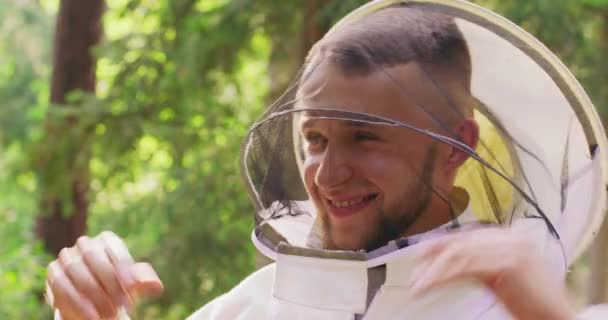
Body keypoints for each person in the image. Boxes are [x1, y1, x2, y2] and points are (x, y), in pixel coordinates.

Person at [45, 2, 608, 319]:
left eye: (366, 138)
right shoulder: (254, 305)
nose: (327, 173)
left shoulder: (523, 306)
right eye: (316, 138)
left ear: (457, 147)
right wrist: (86, 311)